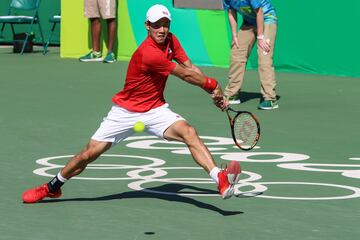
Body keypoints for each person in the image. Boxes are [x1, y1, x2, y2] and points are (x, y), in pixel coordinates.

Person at [22, 4, 241, 203]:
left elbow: (190, 67)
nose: (162, 30)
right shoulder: (148, 53)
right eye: (157, 25)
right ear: (147, 26)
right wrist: (212, 85)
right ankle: (53, 186)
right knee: (87, 155)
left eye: (165, 25)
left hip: (155, 109)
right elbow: (184, 75)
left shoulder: (171, 40)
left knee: (189, 132)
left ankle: (219, 178)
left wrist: (215, 94)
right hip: (125, 112)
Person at [223, 0, 278, 110]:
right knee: (237, 52)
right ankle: (232, 94)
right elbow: (231, 12)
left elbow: (259, 12)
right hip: (249, 22)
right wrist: (234, 35)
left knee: (264, 56)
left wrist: (261, 37)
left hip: (267, 19)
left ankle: (270, 98)